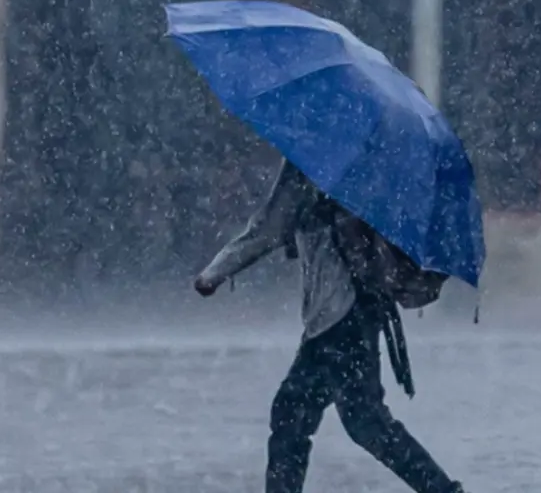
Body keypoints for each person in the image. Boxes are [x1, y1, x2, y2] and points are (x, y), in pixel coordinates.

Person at [194, 158, 468, 493]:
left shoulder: (310, 156)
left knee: (356, 420)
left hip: (339, 313)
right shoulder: (367, 160)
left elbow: (269, 228)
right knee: (301, 413)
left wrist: (215, 273)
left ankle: (444, 491)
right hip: (353, 309)